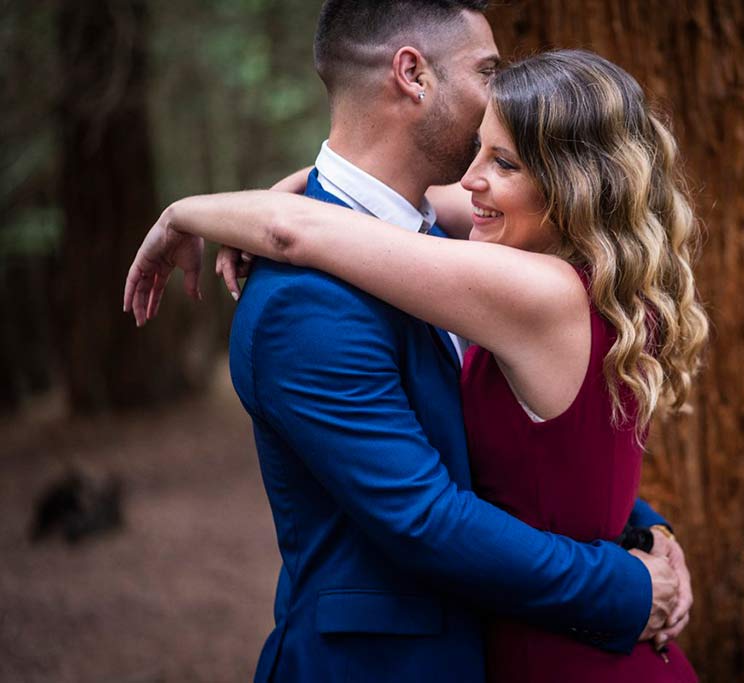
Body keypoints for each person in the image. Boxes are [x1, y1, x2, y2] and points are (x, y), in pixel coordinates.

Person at [124, 3, 692, 683]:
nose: (495, 90)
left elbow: (530, 456)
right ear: (412, 74)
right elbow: (426, 516)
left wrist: (638, 526)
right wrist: (626, 582)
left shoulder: (470, 245)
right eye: (486, 69)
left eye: (504, 159)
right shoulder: (304, 301)